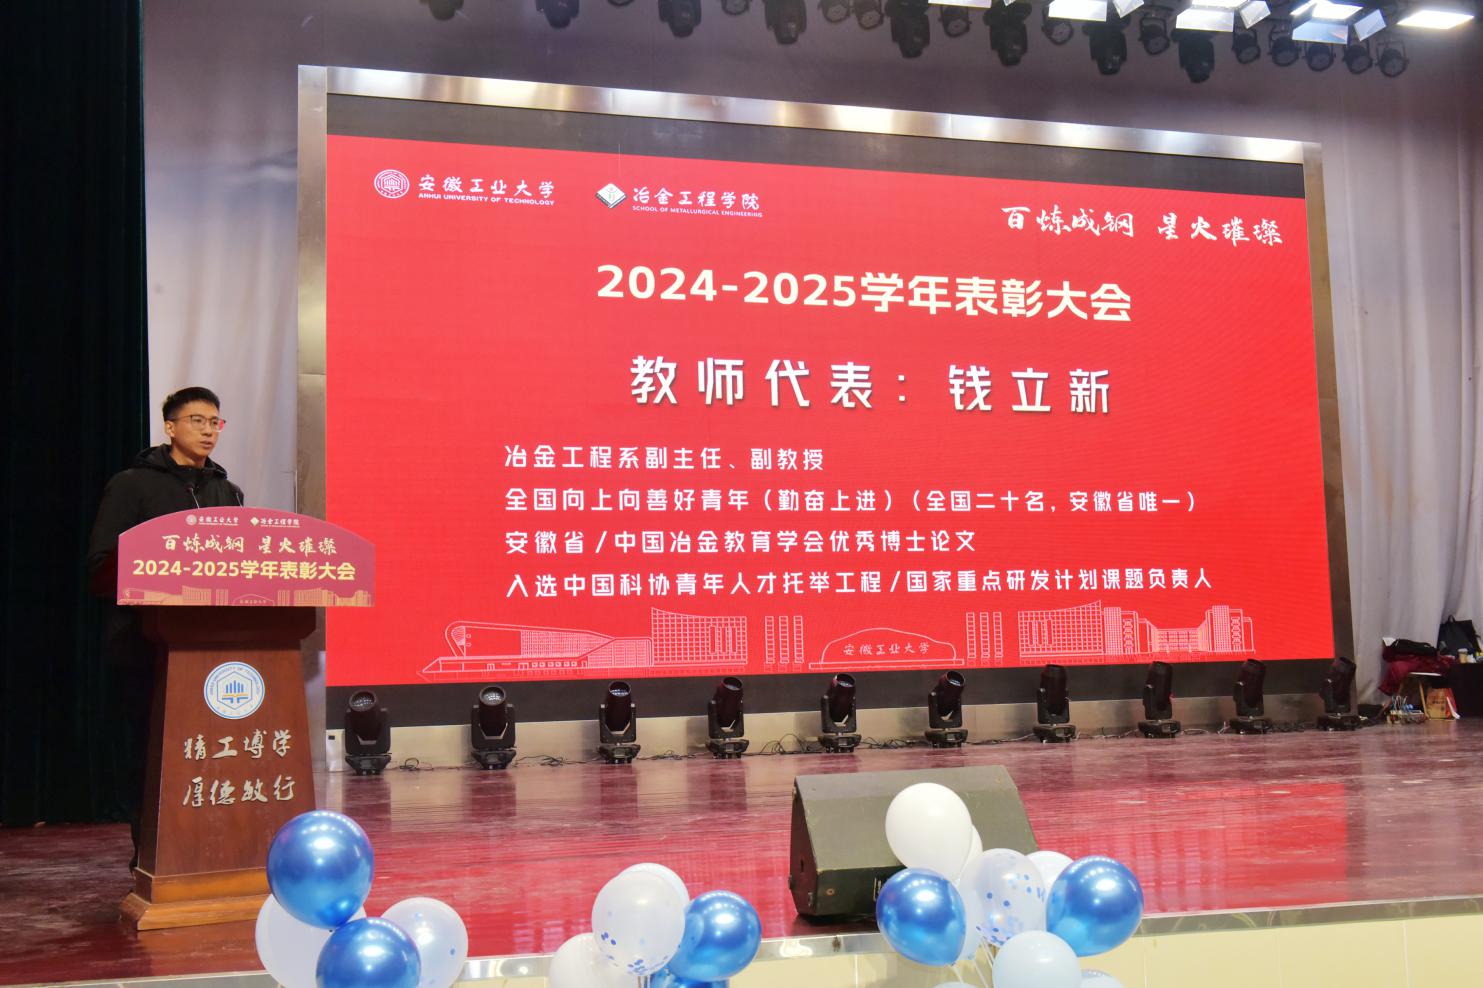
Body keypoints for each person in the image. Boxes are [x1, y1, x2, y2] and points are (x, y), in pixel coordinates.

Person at [87, 387, 244, 870]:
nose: (208, 430)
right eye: (197, 420)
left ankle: (216, 849)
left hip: (213, 650)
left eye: (215, 422)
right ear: (170, 427)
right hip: (145, 646)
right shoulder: (132, 485)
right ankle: (152, 854)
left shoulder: (226, 492)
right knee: (151, 755)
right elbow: (101, 564)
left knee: (215, 753)